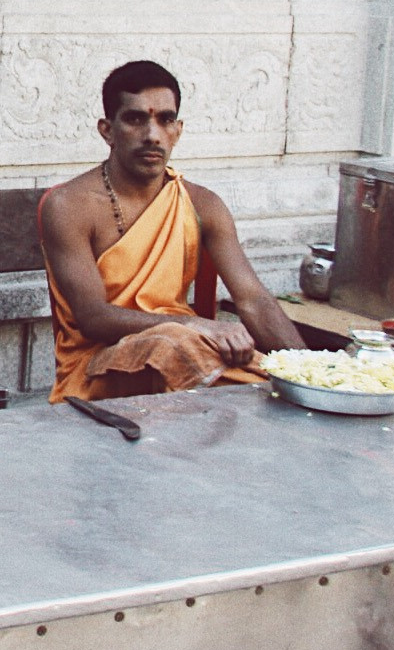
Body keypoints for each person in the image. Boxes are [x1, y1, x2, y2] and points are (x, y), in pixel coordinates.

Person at [37, 59, 302, 402]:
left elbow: (253, 300)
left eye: (165, 120)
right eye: (135, 119)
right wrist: (192, 325)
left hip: (187, 355)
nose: (152, 135)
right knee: (173, 345)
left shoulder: (204, 204)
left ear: (178, 130)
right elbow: (93, 317)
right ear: (107, 130)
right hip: (96, 369)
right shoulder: (68, 205)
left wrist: (311, 371)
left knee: (264, 370)